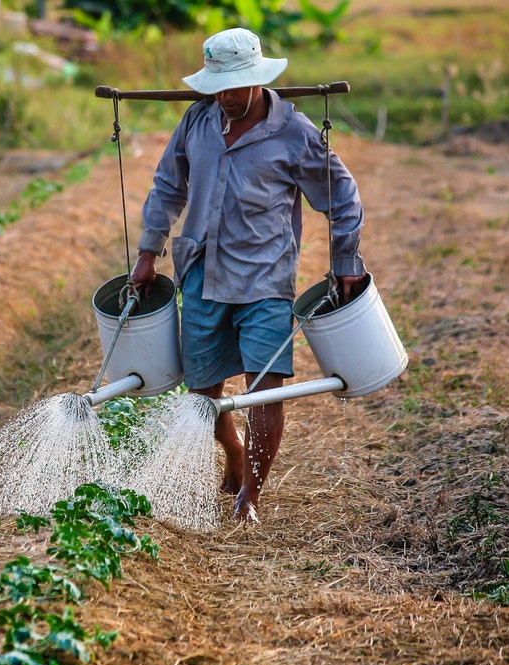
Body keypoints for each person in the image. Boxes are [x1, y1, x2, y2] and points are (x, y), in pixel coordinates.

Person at [130, 27, 366, 523]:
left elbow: (342, 198)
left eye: (235, 87)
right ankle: (233, 452)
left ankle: (249, 499)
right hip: (200, 273)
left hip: (265, 279)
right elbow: (167, 187)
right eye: (218, 87)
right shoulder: (197, 121)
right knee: (203, 394)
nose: (226, 97)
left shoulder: (294, 133)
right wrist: (148, 252)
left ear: (258, 80)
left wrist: (345, 261)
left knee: (266, 388)